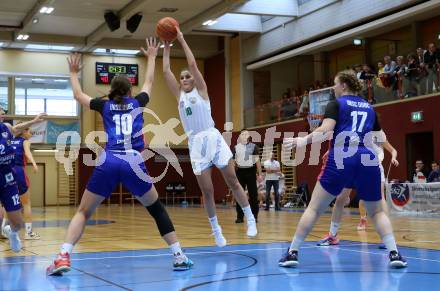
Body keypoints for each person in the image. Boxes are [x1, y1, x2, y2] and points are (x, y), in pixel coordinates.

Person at [46, 38, 193, 276]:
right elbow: (149, 81)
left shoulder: (103, 106)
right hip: (134, 161)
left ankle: (63, 255)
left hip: (110, 160)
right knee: (157, 209)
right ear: (129, 90)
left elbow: (78, 95)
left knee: (83, 212)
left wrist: (73, 73)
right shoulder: (138, 102)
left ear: (113, 89)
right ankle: (178, 255)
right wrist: (152, 57)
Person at [278, 70, 407, 268]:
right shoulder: (370, 108)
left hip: (343, 156)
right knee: (378, 212)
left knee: (314, 208)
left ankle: (293, 252)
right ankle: (395, 253)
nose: (333, 88)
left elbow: (326, 130)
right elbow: (380, 138)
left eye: (335, 84)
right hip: (368, 158)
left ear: (344, 86)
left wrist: (302, 140)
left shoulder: (336, 104)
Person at [162, 27, 257, 247]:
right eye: (182, 77)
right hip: (195, 143)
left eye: (188, 76)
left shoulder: (201, 90)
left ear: (194, 80)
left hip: (213, 137)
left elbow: (193, 65)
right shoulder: (180, 97)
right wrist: (166, 48)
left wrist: (182, 38)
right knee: (207, 190)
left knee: (232, 180)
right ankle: (216, 231)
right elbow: (166, 72)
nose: (185, 78)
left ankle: (250, 218)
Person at [317, 131, 399, 246]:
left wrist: (393, 157)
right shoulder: (356, 128)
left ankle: (387, 237)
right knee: (340, 199)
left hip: (372, 166)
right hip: (354, 164)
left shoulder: (378, 131)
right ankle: (332, 235)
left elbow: (393, 150)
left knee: (381, 199)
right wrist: (330, 151)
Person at [0, 107, 46, 252]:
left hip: (8, 177)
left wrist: (33, 121)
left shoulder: (6, 128)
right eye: (0, 112)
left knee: (18, 222)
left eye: (3, 113)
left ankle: (12, 232)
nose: (3, 114)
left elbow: (15, 128)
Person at [10, 125, 40, 239]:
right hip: (18, 171)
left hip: (7, 171)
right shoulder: (25, 141)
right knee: (26, 203)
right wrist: (34, 163)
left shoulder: (9, 141)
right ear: (24, 132)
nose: (31, 134)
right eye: (30, 131)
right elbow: (28, 153)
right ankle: (29, 232)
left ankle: (4, 230)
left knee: (8, 203)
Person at [234, 130, 262, 223]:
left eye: (246, 134)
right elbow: (234, 162)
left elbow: (257, 161)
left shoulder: (254, 147)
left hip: (251, 172)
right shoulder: (236, 147)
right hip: (240, 173)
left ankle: (255, 216)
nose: (244, 135)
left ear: (249, 136)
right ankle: (240, 216)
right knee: (239, 195)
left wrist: (260, 174)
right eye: (242, 134)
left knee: (253, 195)